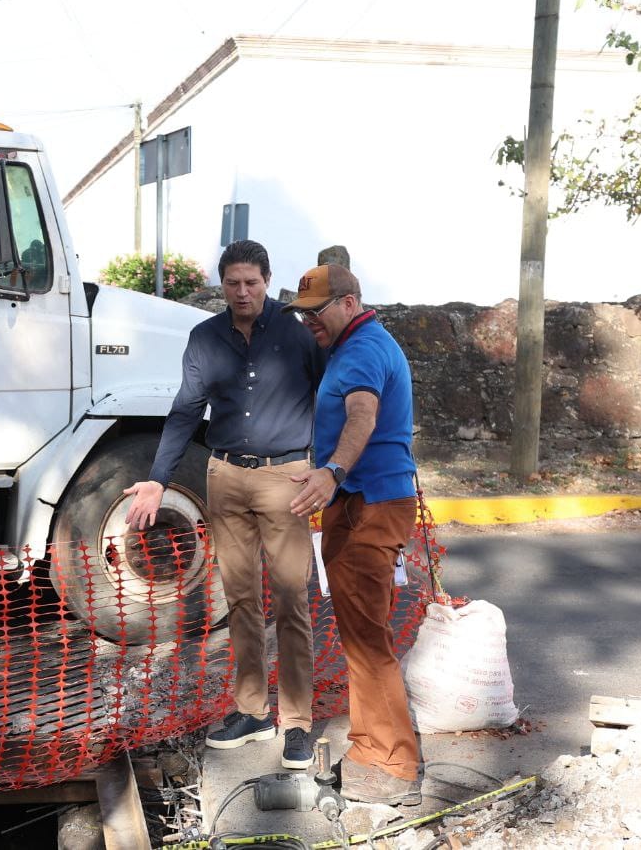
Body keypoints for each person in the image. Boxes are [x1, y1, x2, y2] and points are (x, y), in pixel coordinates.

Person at [123, 239, 325, 768]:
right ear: (222, 284)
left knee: (290, 600)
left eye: (251, 283)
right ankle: (252, 710)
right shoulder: (204, 338)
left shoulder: (298, 332)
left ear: (266, 280)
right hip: (226, 475)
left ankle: (297, 722)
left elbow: (331, 400)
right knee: (239, 599)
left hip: (286, 475)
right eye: (233, 283)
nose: (242, 293)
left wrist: (326, 467)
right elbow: (185, 412)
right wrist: (156, 480)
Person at [284, 263, 422, 806]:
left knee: (368, 641)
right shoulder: (359, 343)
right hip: (364, 500)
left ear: (348, 302)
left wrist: (333, 472)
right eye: (303, 314)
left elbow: (362, 415)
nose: (308, 323)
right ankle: (370, 748)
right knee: (363, 636)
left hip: (369, 504)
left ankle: (392, 763)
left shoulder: (363, 349)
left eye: (315, 313)